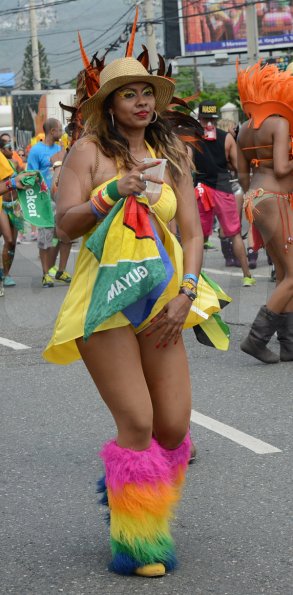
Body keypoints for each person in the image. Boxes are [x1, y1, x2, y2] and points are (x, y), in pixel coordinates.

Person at [43, 35, 229, 575]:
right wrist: (111, 192)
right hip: (104, 303)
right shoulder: (89, 152)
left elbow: (192, 234)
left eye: (149, 93)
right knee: (139, 420)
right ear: (110, 106)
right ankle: (139, 542)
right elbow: (64, 223)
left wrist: (188, 293)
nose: (142, 102)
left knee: (173, 427)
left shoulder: (173, 157)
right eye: (130, 94)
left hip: (162, 301)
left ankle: (133, 496)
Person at [237, 61, 293, 363]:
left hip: (254, 199)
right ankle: (256, 338)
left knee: (285, 271)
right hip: (275, 198)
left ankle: (289, 344)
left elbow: (243, 177)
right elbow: (283, 168)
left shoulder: (245, 129)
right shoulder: (280, 124)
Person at [193, 100, 255, 287]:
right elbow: (237, 166)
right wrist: (225, 163)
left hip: (201, 188)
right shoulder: (226, 138)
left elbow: (188, 166)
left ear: (200, 119)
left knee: (198, 237)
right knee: (234, 233)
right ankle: (247, 276)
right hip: (223, 186)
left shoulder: (192, 139)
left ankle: (192, 281)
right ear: (215, 118)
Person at [27, 118, 72, 288]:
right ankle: (46, 274)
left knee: (67, 234)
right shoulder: (36, 151)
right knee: (45, 238)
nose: (62, 133)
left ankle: (61, 271)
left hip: (62, 199)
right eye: (60, 129)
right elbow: (30, 175)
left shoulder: (62, 149)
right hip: (45, 200)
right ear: (53, 131)